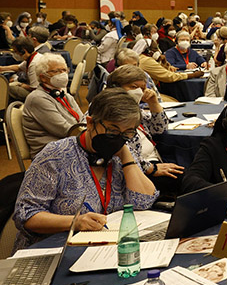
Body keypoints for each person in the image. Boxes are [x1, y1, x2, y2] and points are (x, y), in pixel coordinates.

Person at [13, 88, 159, 251]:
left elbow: (144, 201)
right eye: (112, 130)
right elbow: (25, 215)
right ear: (90, 123)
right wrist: (75, 222)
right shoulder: (55, 155)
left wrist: (125, 156)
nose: (119, 138)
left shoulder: (121, 153)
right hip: (54, 250)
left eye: (127, 132)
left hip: (105, 249)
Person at [106, 65, 183, 195]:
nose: (139, 92)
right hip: (132, 171)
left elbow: (159, 128)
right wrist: (151, 168)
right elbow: (120, 152)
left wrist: (153, 103)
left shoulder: (132, 107)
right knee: (184, 180)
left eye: (142, 88)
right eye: (133, 87)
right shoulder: (108, 110)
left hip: (151, 160)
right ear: (115, 88)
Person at [22, 53, 83, 157]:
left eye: (64, 70)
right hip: (50, 152)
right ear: (43, 77)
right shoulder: (37, 98)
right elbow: (65, 130)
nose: (63, 74)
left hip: (70, 143)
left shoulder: (65, 96)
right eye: (56, 71)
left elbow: (82, 120)